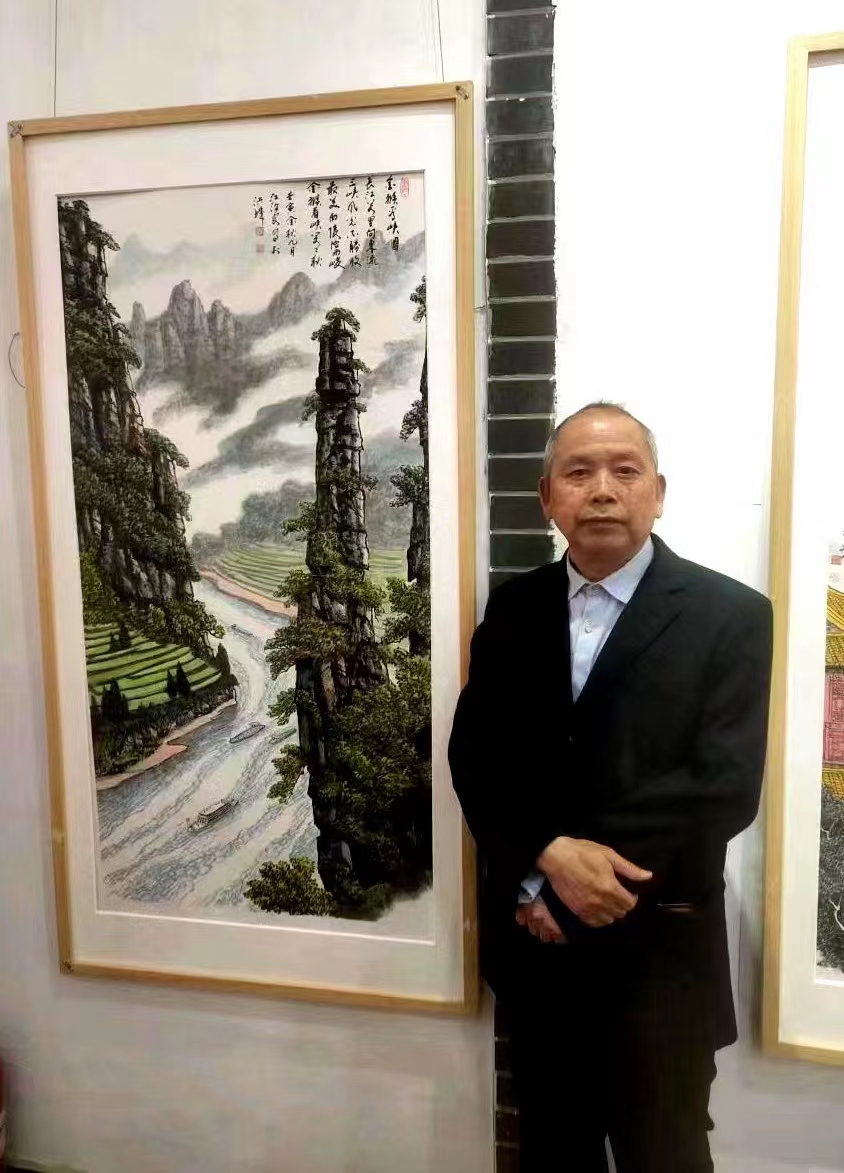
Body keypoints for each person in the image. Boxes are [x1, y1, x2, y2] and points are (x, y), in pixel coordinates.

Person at [448, 403, 773, 1173]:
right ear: (547, 497)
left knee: (666, 1156)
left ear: (657, 492)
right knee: (552, 1155)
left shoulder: (730, 615)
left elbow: (721, 785)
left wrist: (565, 885)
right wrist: (544, 855)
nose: (601, 489)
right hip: (538, 961)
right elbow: (478, 756)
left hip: (661, 960)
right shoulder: (515, 607)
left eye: (625, 470)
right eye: (578, 471)